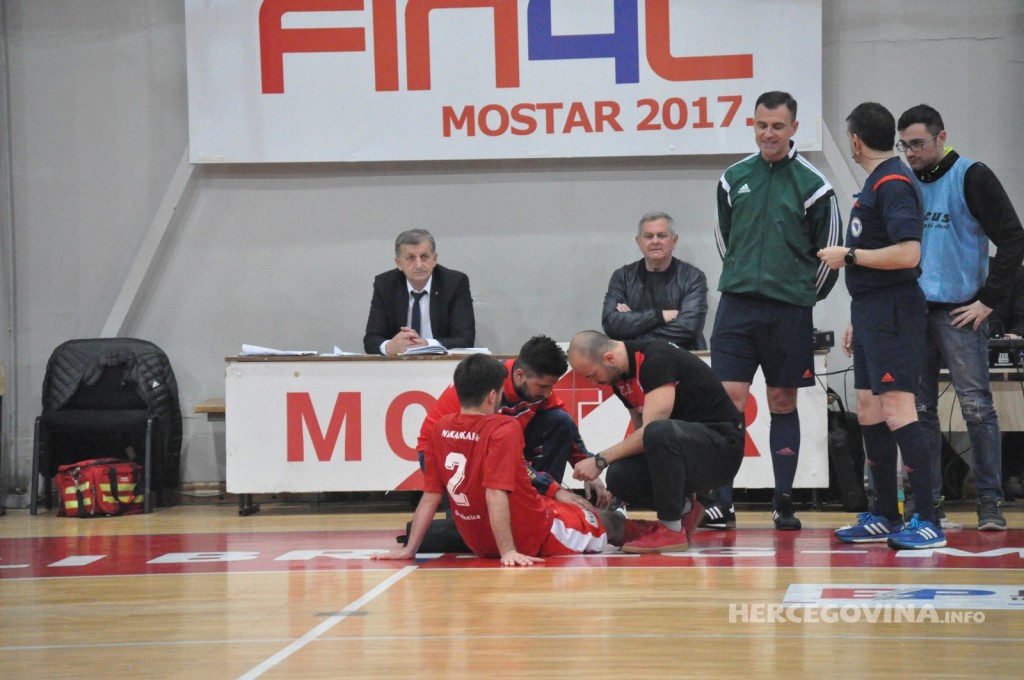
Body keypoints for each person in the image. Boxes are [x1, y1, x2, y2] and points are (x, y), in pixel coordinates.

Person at [706, 90, 843, 530]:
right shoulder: (733, 178)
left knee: (782, 401)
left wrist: (801, 296)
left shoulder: (814, 184)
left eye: (777, 126)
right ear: (754, 125)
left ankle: (783, 501)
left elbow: (830, 253)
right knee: (729, 404)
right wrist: (745, 278)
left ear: (793, 129)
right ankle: (720, 501)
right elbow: (725, 242)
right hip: (737, 308)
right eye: (762, 125)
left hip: (788, 313)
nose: (769, 133)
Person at [373, 354, 655, 565]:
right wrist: (509, 550)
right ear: (494, 395)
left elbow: (430, 495)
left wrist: (409, 550)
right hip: (531, 533)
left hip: (478, 540)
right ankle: (657, 532)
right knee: (608, 523)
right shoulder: (503, 428)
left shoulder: (439, 426)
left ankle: (425, 538)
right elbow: (497, 491)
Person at [818, 101, 945, 550]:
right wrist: (858, 316)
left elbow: (908, 254)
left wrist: (847, 255)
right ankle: (884, 514)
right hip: (873, 310)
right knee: (869, 409)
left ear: (855, 141)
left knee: (898, 410)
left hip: (894, 309)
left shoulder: (891, 182)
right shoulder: (877, 183)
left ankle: (927, 519)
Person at [897, 104, 1024, 531]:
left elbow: (1012, 238)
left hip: (960, 311)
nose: (910, 152)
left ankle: (989, 501)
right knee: (919, 409)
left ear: (941, 137)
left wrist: (989, 300)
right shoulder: (904, 180)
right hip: (914, 311)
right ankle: (927, 502)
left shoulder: (972, 175)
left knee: (977, 407)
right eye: (904, 145)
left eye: (918, 143)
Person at [567, 331, 744, 553]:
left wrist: (600, 460)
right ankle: (686, 509)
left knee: (658, 431)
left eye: (592, 375)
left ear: (609, 359)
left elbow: (652, 431)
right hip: (687, 447)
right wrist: (618, 491)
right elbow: (639, 435)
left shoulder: (655, 359)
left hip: (721, 450)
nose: (595, 383)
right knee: (619, 475)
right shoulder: (619, 378)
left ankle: (670, 527)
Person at [417, 335, 610, 506]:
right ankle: (543, 497)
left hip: (488, 448)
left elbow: (565, 426)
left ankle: (543, 504)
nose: (548, 393)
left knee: (559, 420)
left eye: (551, 386)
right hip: (447, 453)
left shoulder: (536, 387)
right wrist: (553, 489)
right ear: (519, 375)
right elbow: (499, 457)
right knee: (477, 527)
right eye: (543, 386)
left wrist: (586, 465)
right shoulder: (487, 390)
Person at [602, 211, 709, 350]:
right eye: (648, 236)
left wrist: (632, 332)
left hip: (684, 357)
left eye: (662, 235)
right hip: (635, 361)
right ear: (639, 242)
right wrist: (660, 316)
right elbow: (611, 323)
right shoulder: (622, 277)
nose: (655, 241)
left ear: (674, 240)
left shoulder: (693, 277)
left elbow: (689, 327)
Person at [363, 229, 475, 355]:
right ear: (398, 263)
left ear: (434, 259)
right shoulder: (385, 284)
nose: (419, 265)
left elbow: (465, 339)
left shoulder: (455, 283)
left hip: (442, 365)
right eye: (410, 258)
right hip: (398, 366)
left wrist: (427, 344)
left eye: (424, 257)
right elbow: (371, 340)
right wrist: (389, 347)